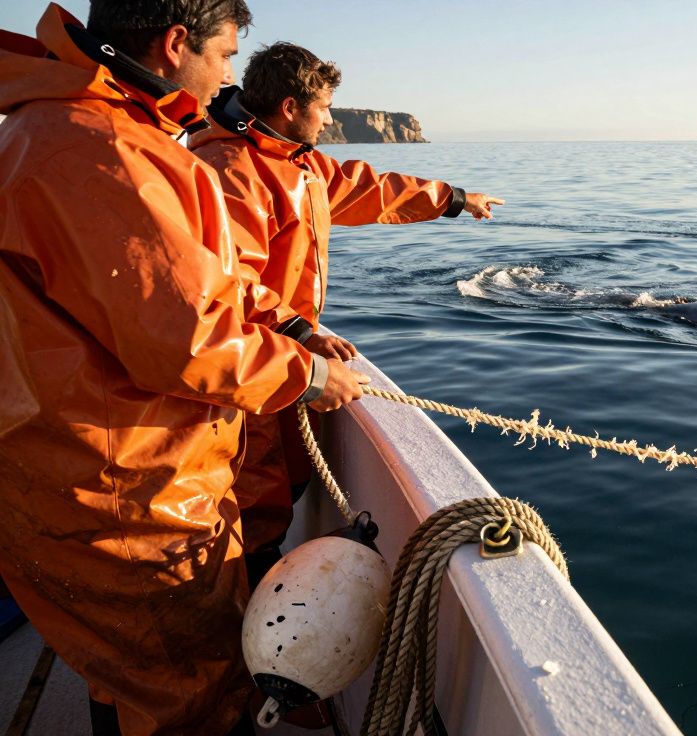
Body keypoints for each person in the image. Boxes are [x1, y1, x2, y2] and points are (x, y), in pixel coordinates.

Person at [0, 3, 370, 735]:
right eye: (227, 55)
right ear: (177, 45)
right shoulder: (104, 149)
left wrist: (289, 324)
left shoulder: (75, 129)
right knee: (181, 696)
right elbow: (187, 337)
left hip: (92, 469)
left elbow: (196, 276)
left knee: (133, 678)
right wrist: (311, 377)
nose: (231, 75)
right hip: (126, 493)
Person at [190, 42, 502, 575]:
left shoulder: (301, 163)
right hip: (243, 357)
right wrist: (298, 329)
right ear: (291, 107)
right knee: (249, 484)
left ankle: (256, 574)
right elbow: (224, 279)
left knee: (281, 480)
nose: (331, 119)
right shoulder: (228, 168)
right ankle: (240, 594)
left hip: (285, 350)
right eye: (325, 108)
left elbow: (371, 190)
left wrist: (453, 199)